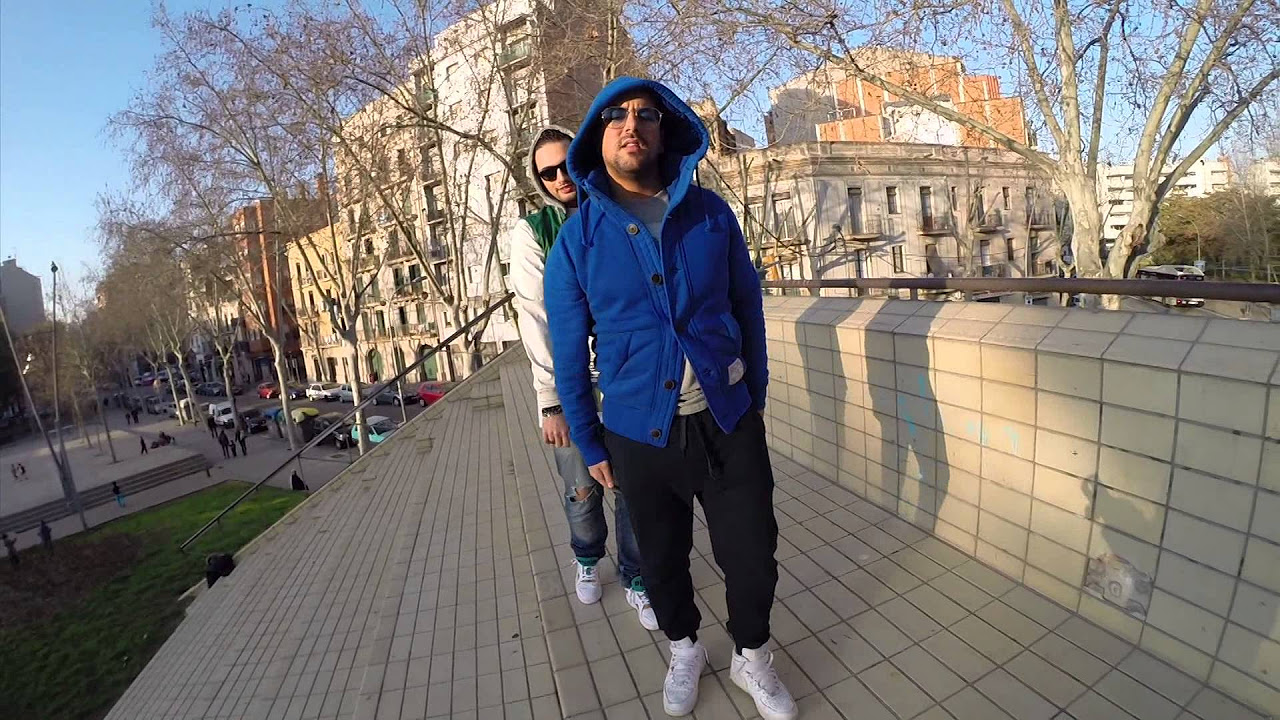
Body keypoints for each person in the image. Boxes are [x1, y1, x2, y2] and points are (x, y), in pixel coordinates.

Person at [544, 78, 795, 720]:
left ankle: (752, 656)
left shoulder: (710, 215)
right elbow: (568, 353)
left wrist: (754, 392)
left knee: (753, 554)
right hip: (637, 435)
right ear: (597, 137)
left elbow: (747, 306)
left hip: (728, 421)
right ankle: (685, 647)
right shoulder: (577, 241)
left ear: (665, 131)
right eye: (615, 116)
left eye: (646, 115)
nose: (632, 125)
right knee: (659, 561)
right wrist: (589, 440)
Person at [511, 124, 656, 630]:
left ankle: (637, 576)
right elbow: (535, 318)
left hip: (625, 380)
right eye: (546, 173)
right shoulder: (535, 231)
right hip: (571, 387)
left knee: (631, 485)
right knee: (581, 486)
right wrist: (549, 400)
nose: (559, 178)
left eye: (565, 164)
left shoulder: (620, 212)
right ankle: (588, 556)